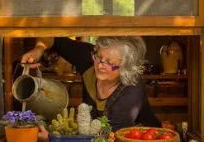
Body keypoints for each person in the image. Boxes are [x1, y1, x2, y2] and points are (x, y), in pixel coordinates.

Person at [21, 36, 160, 131]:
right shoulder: (88, 60)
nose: (100, 65)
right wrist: (39, 48)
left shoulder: (132, 89)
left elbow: (107, 134)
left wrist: (55, 140)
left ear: (125, 68)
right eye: (98, 57)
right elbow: (53, 39)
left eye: (110, 63)